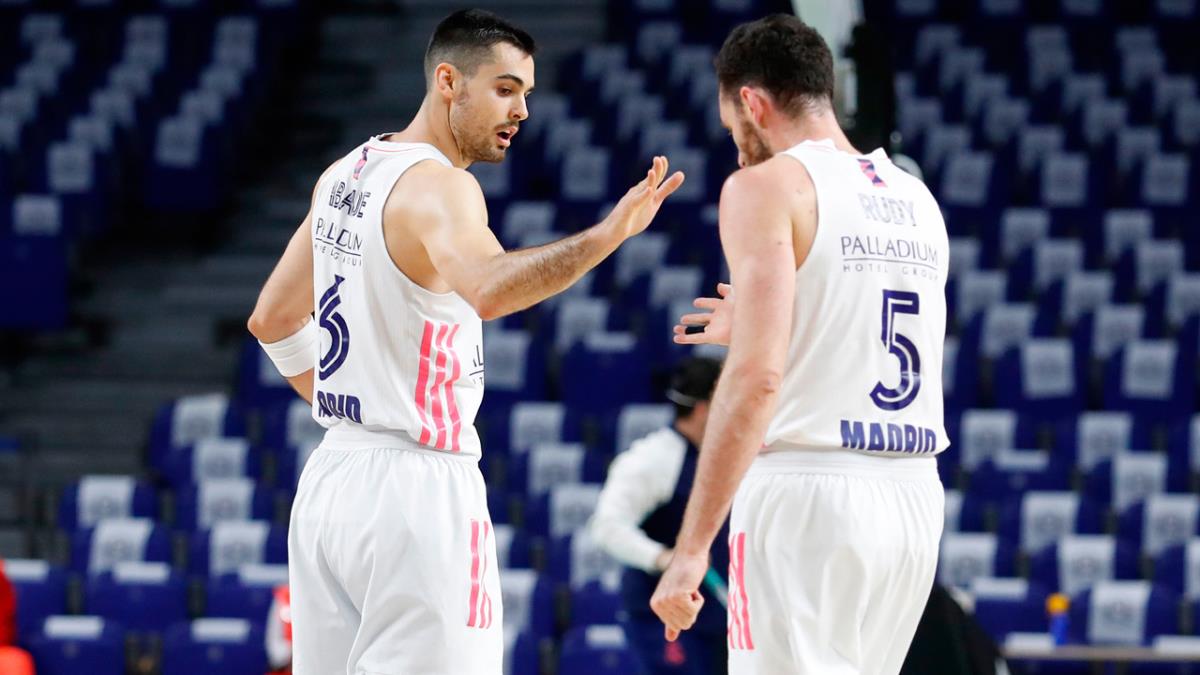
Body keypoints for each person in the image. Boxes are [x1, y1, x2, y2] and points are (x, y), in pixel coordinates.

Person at [246, 9, 684, 674]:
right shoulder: (443, 186)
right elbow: (489, 289)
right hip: (417, 488)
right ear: (448, 81)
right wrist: (608, 235)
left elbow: (273, 318)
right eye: (505, 89)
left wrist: (360, 404)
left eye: (527, 93)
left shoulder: (345, 172)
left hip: (332, 477)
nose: (521, 111)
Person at [650, 14, 948, 675]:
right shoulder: (916, 199)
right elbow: (871, 336)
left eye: (735, 129)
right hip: (913, 494)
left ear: (752, 103)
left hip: (809, 492)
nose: (738, 152)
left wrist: (692, 549)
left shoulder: (765, 186)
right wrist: (771, 320)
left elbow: (756, 378)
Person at [590, 357, 727, 675]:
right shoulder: (653, 459)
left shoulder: (731, 455)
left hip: (721, 617)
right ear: (704, 409)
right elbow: (607, 526)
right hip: (666, 620)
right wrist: (664, 558)